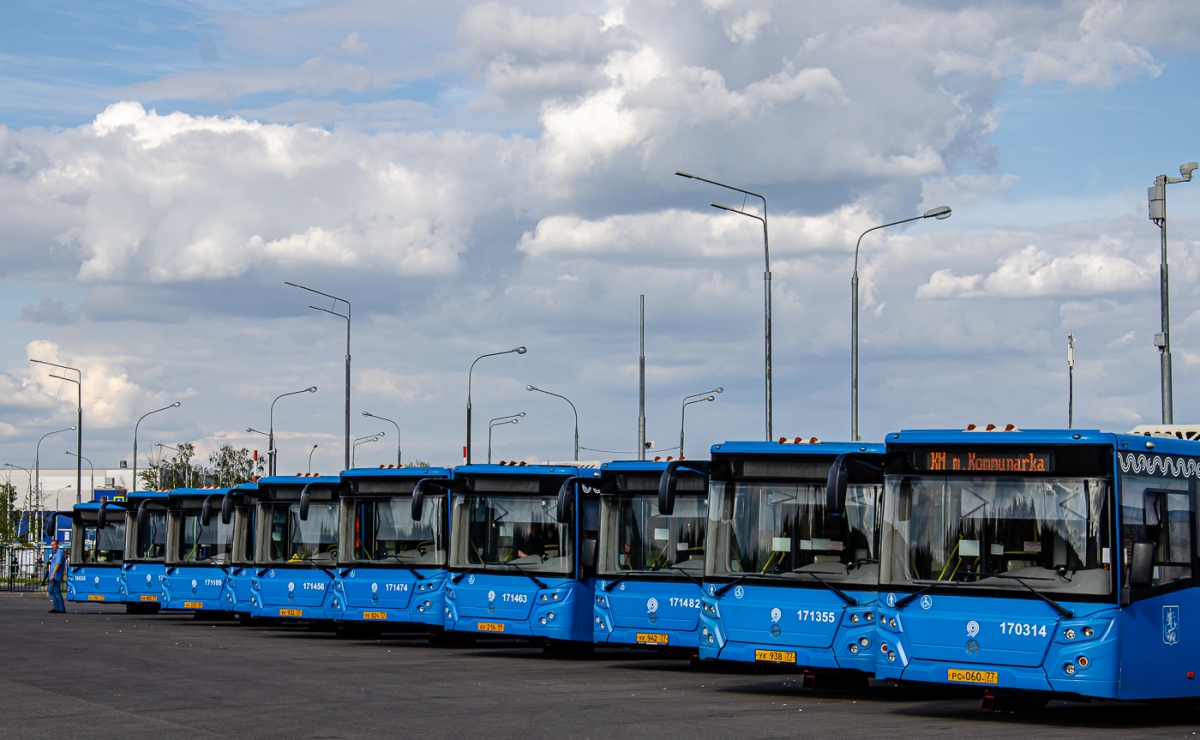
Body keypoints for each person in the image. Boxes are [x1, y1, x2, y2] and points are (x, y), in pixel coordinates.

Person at [47, 540, 66, 613]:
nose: (52, 546)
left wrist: (52, 574)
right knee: (55, 591)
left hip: (55, 576)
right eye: (51, 545)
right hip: (54, 575)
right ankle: (58, 607)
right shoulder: (56, 553)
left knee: (53, 591)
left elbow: (58, 564)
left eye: (54, 545)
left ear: (57, 544)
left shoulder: (59, 553)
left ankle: (59, 607)